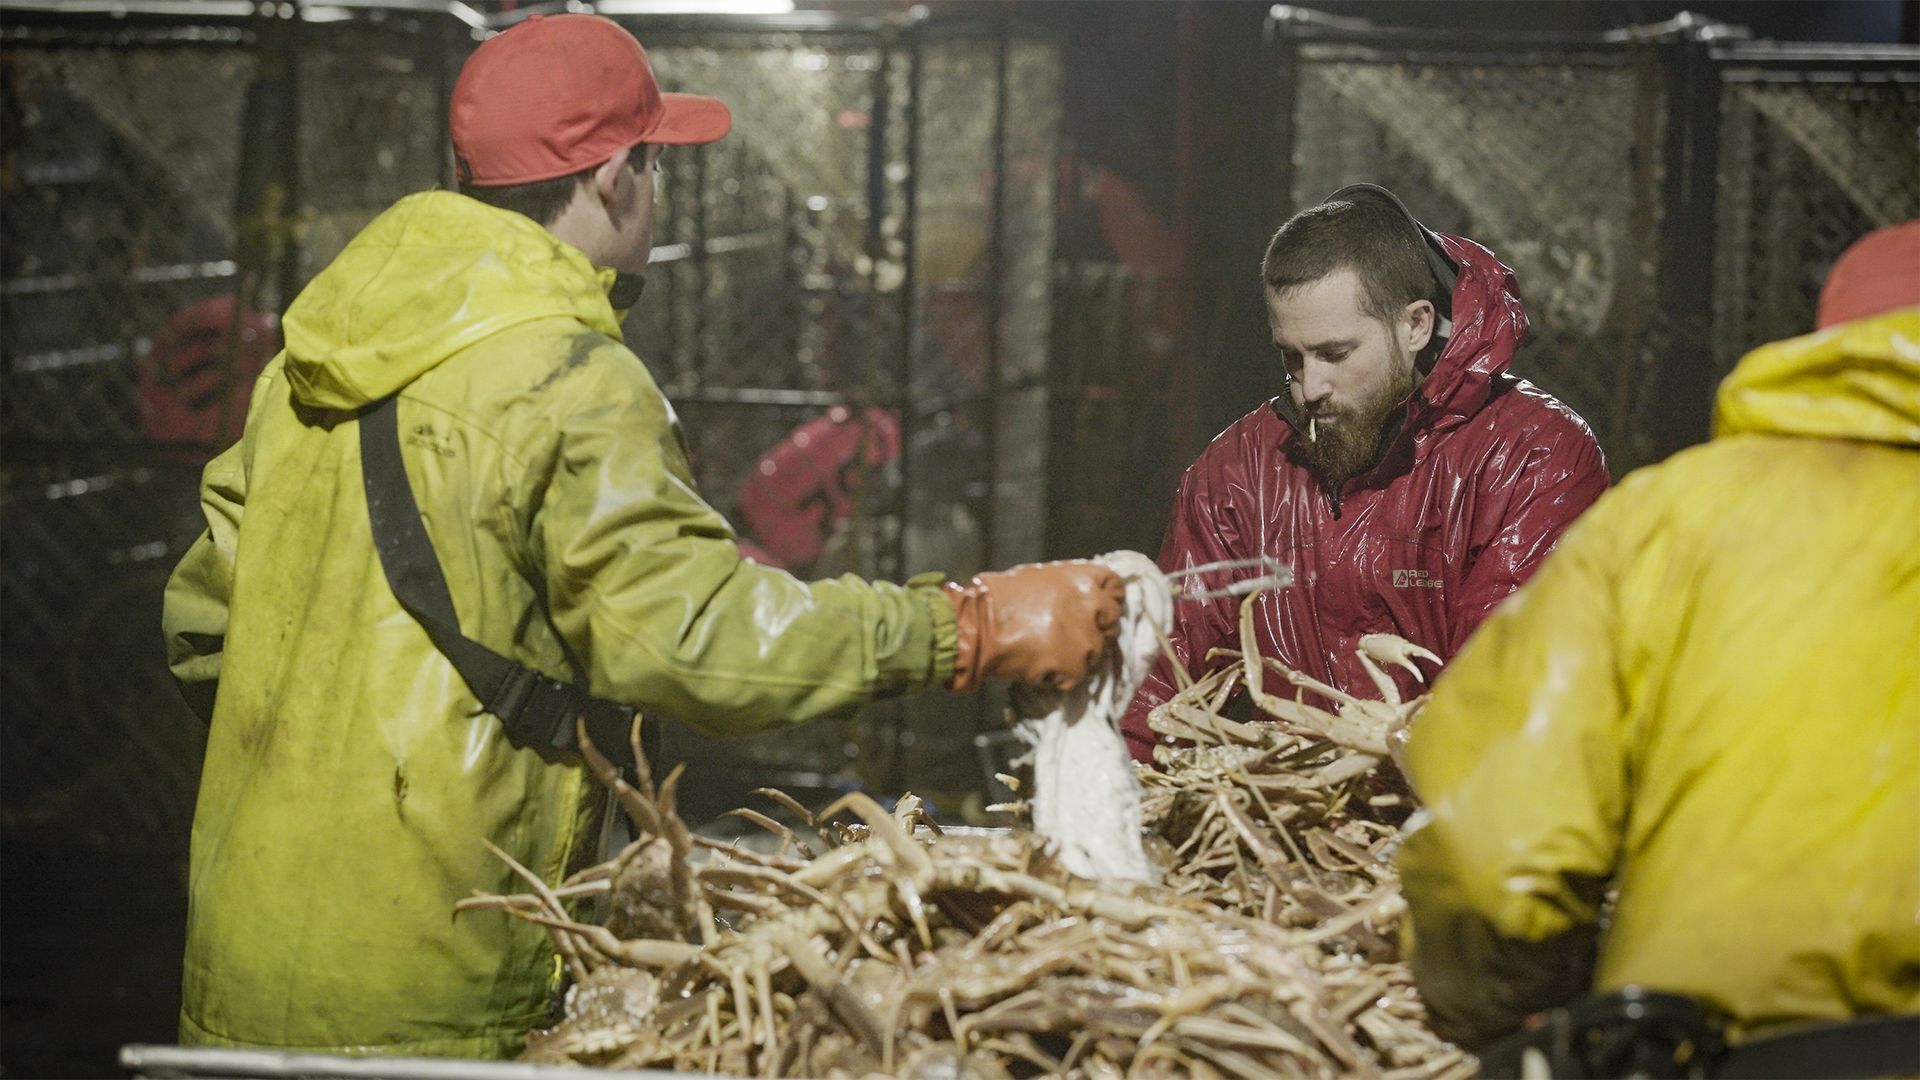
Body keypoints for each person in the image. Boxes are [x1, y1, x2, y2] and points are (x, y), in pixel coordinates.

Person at [161, 14, 1122, 1058]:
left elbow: (205, 630)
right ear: (617, 177)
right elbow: (697, 644)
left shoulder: (307, 361)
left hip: (235, 965)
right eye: (657, 168)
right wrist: (964, 629)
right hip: (434, 979)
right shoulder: (567, 380)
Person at [1395, 223, 1920, 1073]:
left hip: (1720, 1054)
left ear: (1825, 347)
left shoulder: (1670, 522)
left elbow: (1494, 854)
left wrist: (1495, 1010)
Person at [1121, 184, 1609, 760]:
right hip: (1284, 827)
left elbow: (1499, 702)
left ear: (1417, 326)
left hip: (1458, 827)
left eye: (1335, 353)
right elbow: (1158, 679)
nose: (1310, 388)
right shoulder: (1236, 472)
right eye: (1291, 358)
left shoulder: (1534, 459)